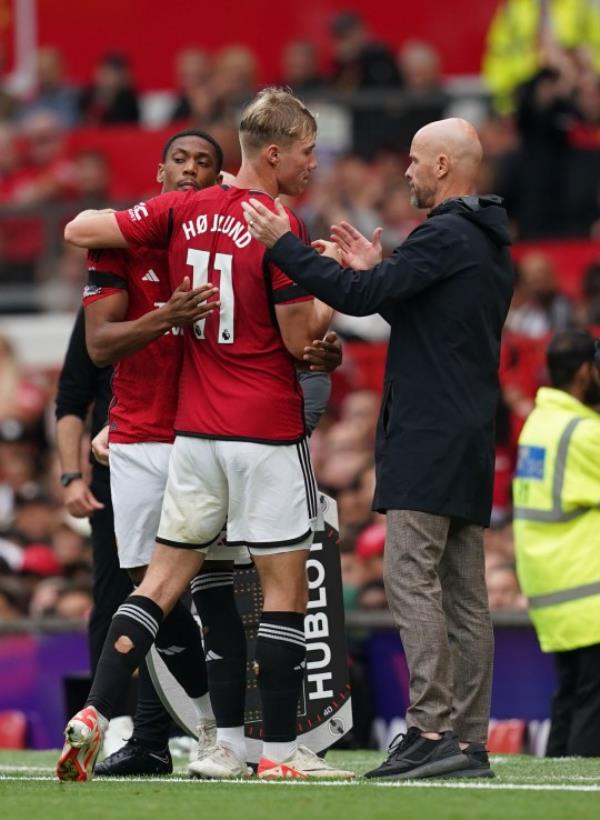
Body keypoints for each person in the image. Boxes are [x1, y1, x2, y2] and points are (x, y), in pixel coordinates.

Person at [57, 87, 355, 782]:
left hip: (192, 434)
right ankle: (278, 755)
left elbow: (84, 228)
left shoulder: (181, 212)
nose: (315, 164)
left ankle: (103, 712)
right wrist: (340, 285)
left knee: (160, 585)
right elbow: (293, 338)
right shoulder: (275, 222)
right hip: (263, 429)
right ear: (274, 154)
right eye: (309, 151)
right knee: (284, 594)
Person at [242, 117, 515, 780]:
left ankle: (429, 730)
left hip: (426, 433)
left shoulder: (445, 232)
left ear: (445, 166)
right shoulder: (485, 242)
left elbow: (358, 294)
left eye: (418, 162)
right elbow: (426, 314)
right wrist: (382, 271)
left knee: (411, 577)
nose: (408, 173)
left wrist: (284, 246)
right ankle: (469, 742)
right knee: (464, 593)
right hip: (468, 434)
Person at [82, 129, 238, 778]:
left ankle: (229, 740)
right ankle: (191, 732)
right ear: (160, 171)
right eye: (181, 159)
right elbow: (98, 346)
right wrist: (166, 317)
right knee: (157, 600)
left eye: (205, 163)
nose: (191, 170)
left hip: (211, 435)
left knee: (217, 592)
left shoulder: (227, 242)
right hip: (142, 438)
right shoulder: (119, 239)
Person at [513, 329, 600, 757]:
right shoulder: (586, 433)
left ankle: (553, 781)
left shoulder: (540, 422)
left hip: (555, 587)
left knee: (571, 695)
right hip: (588, 590)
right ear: (586, 372)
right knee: (592, 704)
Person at [55, 309, 132, 675]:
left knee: (189, 598)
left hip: (189, 468)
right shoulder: (98, 309)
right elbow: (70, 400)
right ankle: (105, 715)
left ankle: (186, 718)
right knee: (112, 596)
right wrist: (71, 477)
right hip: (112, 477)